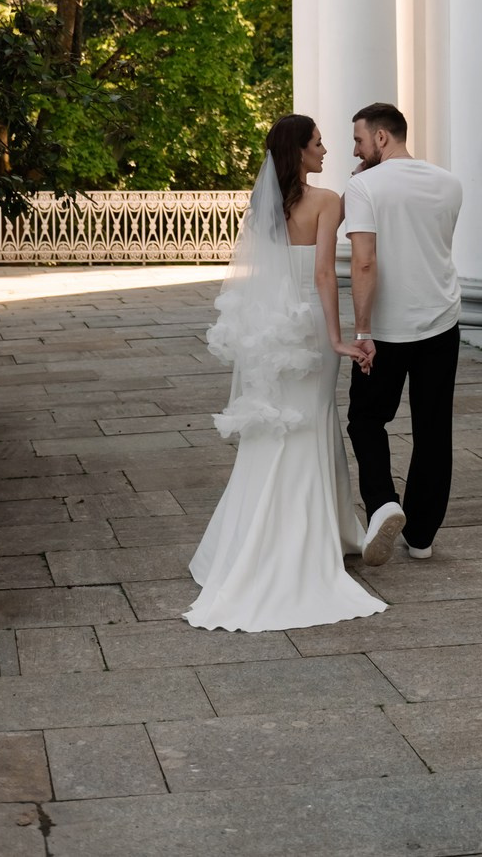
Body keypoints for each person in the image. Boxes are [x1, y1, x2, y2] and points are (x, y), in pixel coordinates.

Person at [185, 115, 385, 633]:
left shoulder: (264, 204)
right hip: (311, 321)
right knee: (313, 420)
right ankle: (316, 537)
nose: (325, 151)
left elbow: (267, 269)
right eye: (318, 144)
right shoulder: (327, 201)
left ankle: (276, 537)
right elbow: (323, 273)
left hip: (272, 324)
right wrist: (341, 337)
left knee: (277, 423)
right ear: (298, 151)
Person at [344, 102, 464, 565]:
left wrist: (362, 330)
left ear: (379, 138)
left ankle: (383, 504)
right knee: (434, 428)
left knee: (366, 420)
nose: (354, 148)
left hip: (387, 330)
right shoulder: (449, 183)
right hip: (441, 321)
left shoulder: (363, 186)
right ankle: (422, 536)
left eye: (358, 139)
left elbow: (365, 261)